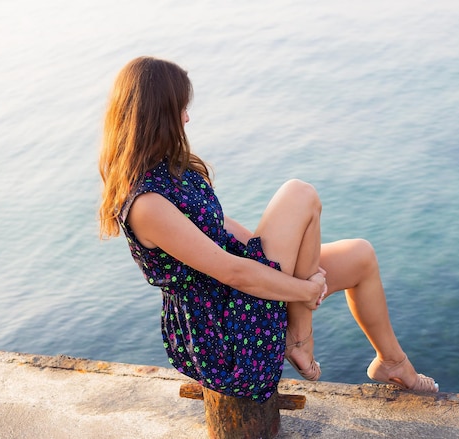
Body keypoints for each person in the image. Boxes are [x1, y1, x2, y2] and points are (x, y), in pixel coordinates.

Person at [98, 56, 438, 403]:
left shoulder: (175, 169)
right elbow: (231, 272)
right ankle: (300, 337)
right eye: (180, 109)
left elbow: (223, 226)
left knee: (361, 255)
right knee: (300, 193)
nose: (187, 117)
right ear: (157, 115)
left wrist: (293, 266)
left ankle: (392, 362)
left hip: (241, 300)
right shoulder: (147, 204)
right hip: (227, 340)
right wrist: (302, 291)